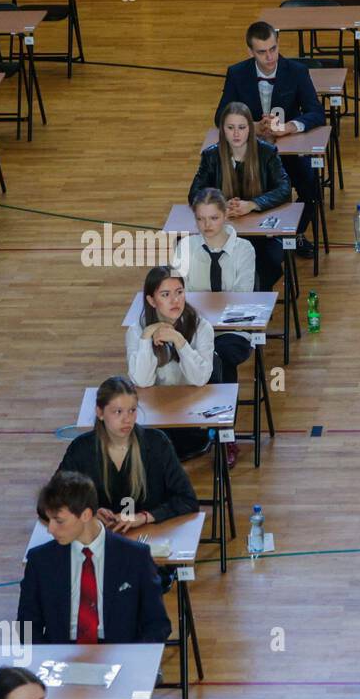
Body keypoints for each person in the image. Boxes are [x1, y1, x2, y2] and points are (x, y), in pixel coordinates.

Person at [17, 472, 171, 699]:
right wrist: (46, 664)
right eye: (48, 521)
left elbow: (157, 625)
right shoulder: (41, 562)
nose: (50, 530)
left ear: (85, 515)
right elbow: (27, 626)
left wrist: (131, 665)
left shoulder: (134, 557)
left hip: (117, 667)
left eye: (58, 521)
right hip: (60, 669)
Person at [215, 22, 325, 254]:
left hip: (288, 148)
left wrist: (289, 127)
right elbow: (220, 117)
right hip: (251, 152)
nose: (270, 56)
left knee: (310, 186)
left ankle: (296, 233)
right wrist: (251, 126)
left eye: (273, 49)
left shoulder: (296, 71)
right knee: (238, 191)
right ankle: (261, 238)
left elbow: (316, 112)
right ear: (250, 52)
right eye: (262, 52)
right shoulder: (237, 73)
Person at [57, 376, 198, 532]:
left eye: (132, 410)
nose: (127, 419)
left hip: (150, 536)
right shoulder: (81, 449)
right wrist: (87, 514)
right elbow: (53, 501)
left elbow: (187, 500)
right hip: (99, 537)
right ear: (100, 412)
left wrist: (144, 517)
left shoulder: (157, 443)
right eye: (118, 412)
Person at [189, 101, 291, 290]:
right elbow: (194, 193)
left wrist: (252, 204)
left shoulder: (267, 153)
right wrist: (220, 206)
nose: (236, 134)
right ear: (223, 130)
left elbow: (284, 189)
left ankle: (249, 304)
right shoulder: (211, 156)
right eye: (230, 128)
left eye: (242, 128)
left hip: (261, 238)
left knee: (267, 263)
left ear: (250, 130)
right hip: (222, 233)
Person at [174, 188, 257, 389]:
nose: (207, 225)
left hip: (233, 331)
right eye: (201, 219)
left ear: (226, 215)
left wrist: (198, 300)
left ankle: (220, 417)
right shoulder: (185, 247)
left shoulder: (244, 249)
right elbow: (178, 295)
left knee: (221, 355)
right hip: (192, 329)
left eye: (214, 218)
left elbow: (241, 297)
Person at [127, 266, 215, 387]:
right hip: (155, 403)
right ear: (151, 301)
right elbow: (142, 382)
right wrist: (146, 338)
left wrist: (179, 340)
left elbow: (200, 379)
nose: (175, 300)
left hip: (192, 402)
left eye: (179, 292)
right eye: (165, 294)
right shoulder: (136, 331)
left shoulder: (202, 327)